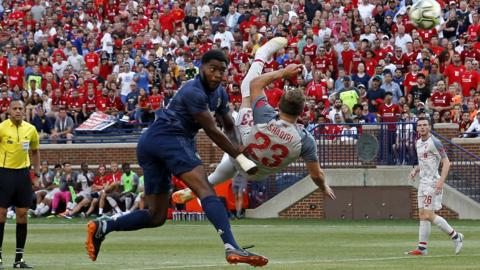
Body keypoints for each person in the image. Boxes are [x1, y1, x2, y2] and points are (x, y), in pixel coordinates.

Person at [86, 49, 264, 266]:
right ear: (202, 68)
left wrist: (239, 150)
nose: (217, 74)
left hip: (152, 142)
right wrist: (241, 158)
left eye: (221, 70)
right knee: (205, 190)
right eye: (213, 69)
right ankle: (232, 247)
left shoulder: (220, 93)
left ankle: (104, 227)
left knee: (156, 216)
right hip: (170, 138)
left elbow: (228, 125)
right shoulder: (193, 91)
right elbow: (212, 130)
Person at [173, 38, 335, 218]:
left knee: (245, 90)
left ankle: (261, 54)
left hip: (242, 154)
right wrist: (324, 186)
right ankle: (200, 186)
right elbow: (316, 175)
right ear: (302, 112)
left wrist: (283, 72)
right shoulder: (306, 140)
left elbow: (255, 84)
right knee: (235, 162)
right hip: (256, 174)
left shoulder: (266, 116)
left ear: (278, 106)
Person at [406, 118, 464, 256]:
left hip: (433, 183)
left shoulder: (435, 142)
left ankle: (456, 236)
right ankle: (422, 248)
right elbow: (425, 162)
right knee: (422, 215)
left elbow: (446, 162)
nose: (422, 127)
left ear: (429, 127)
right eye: (419, 125)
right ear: (417, 128)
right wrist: (416, 170)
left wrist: (441, 182)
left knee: (429, 215)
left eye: (425, 125)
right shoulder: (418, 142)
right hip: (423, 182)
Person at [0, 100, 40, 268]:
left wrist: (36, 174)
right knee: (1, 214)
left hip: (23, 174)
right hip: (4, 173)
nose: (17, 111)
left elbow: (35, 151)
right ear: (9, 111)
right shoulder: (2, 127)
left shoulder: (31, 129)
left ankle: (19, 259)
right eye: (14, 108)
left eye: (20, 109)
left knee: (22, 214)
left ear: (24, 111)